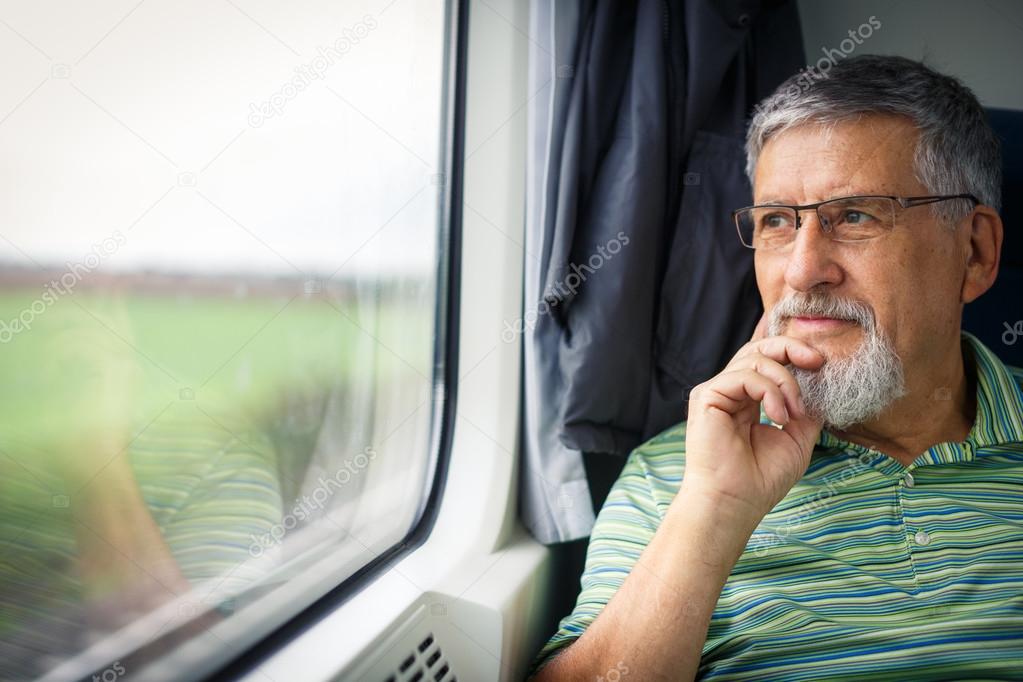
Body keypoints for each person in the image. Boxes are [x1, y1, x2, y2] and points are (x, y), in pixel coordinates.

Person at [530, 55, 1023, 680]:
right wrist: (714, 509)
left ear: (975, 252)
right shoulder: (672, 478)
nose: (800, 270)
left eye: (856, 215)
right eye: (777, 223)